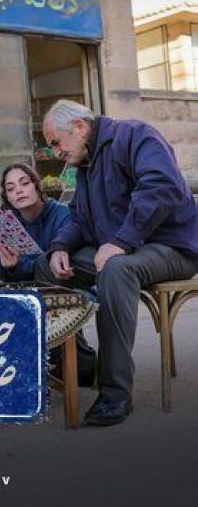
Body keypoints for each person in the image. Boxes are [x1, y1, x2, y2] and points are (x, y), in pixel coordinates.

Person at [37, 99, 198, 426]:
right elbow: (78, 218)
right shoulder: (84, 163)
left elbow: (161, 187)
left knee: (115, 269)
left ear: (79, 127)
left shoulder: (134, 135)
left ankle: (115, 392)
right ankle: (81, 365)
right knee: (46, 266)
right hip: (123, 248)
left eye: (56, 142)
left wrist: (121, 242)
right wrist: (60, 247)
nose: (55, 152)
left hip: (172, 247)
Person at [0, 163, 97, 386]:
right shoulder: (9, 224)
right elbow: (6, 276)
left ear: (37, 185)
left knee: (50, 298)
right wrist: (10, 266)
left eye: (24, 183)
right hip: (30, 294)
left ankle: (80, 364)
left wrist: (21, 266)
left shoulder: (62, 214)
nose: (18, 190)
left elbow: (51, 265)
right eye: (11, 188)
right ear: (7, 197)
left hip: (68, 285)